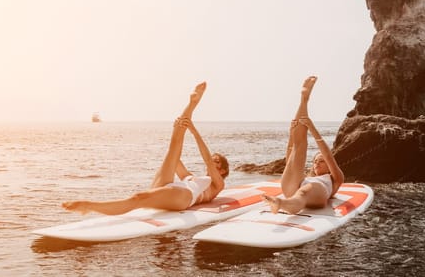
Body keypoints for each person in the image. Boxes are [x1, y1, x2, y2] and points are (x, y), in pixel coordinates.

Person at [62, 82, 229, 215]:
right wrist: (178, 130)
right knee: (174, 145)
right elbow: (175, 158)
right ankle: (192, 103)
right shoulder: (192, 178)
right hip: (175, 187)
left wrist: (193, 130)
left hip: (185, 197)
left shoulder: (217, 185)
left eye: (216, 163)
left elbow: (206, 159)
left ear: (222, 171)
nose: (211, 164)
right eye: (213, 161)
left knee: (138, 197)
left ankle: (88, 206)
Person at [261, 76, 344, 215]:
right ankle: (304, 99)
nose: (317, 163)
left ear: (329, 166)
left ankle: (280, 203)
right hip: (293, 187)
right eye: (315, 161)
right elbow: (290, 161)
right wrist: (291, 134)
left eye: (321, 161)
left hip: (314, 193)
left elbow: (328, 155)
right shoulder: (307, 177)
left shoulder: (335, 179)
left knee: (304, 190)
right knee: (299, 146)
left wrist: (312, 128)